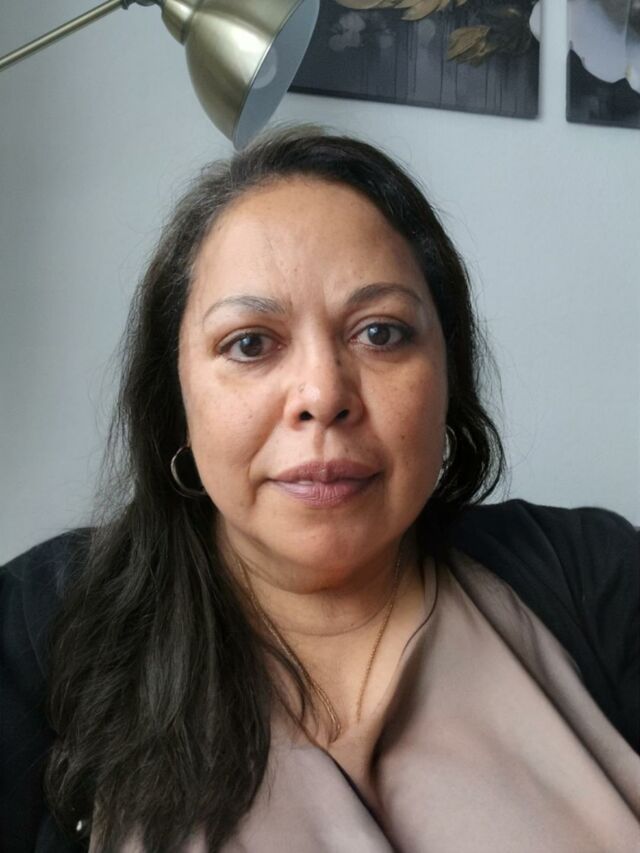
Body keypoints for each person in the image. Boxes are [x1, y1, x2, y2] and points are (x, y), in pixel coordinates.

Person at [1, 127, 638, 853]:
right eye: (249, 343)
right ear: (176, 401)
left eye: (380, 333)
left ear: (447, 377)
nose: (323, 395)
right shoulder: (37, 629)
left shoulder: (595, 576)